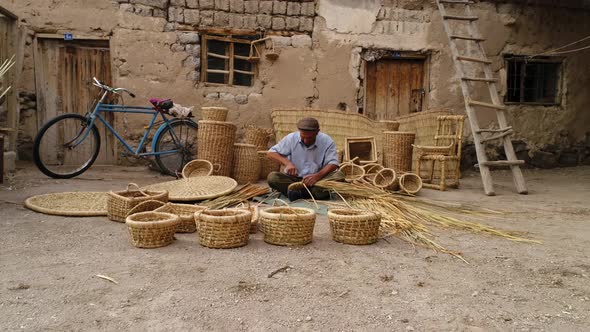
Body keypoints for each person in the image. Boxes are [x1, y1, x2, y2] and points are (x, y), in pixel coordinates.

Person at [267, 117, 344, 200]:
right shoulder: (291, 138)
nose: (306, 140)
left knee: (339, 176)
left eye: (309, 138)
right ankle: (311, 194)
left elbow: (333, 163)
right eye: (303, 137)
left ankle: (297, 193)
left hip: (317, 181)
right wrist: (288, 163)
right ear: (299, 132)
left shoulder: (327, 141)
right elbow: (271, 153)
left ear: (317, 132)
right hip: (294, 180)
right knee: (273, 177)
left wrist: (317, 176)